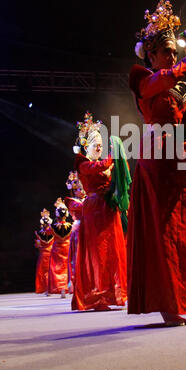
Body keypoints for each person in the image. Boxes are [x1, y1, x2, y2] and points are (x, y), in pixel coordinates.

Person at [127, 0, 186, 326]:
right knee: (164, 226)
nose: (171, 54)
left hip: (182, 153)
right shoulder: (142, 77)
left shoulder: (179, 81)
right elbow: (157, 85)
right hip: (157, 152)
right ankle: (167, 304)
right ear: (150, 54)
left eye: (174, 49)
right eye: (165, 50)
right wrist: (183, 67)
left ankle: (185, 299)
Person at [71, 112, 128, 311]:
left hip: (108, 210)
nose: (99, 146)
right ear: (86, 147)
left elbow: (115, 173)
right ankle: (98, 296)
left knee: (113, 251)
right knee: (98, 253)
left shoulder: (102, 165)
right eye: (95, 143)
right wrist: (115, 153)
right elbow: (104, 165)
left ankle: (113, 294)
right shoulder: (84, 165)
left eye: (101, 144)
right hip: (95, 210)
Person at [64, 171, 86, 293]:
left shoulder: (88, 199)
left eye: (83, 188)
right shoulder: (71, 201)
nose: (82, 191)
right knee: (77, 257)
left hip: (89, 230)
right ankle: (76, 282)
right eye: (79, 189)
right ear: (74, 190)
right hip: (78, 231)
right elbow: (82, 209)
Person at [47, 198, 73, 298]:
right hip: (67, 247)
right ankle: (68, 287)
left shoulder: (52, 226)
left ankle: (60, 287)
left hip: (57, 248)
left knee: (56, 269)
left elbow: (48, 232)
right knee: (67, 268)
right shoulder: (71, 225)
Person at [34, 208, 54, 294]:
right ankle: (53, 287)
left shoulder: (39, 233)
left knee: (44, 271)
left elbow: (38, 245)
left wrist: (37, 244)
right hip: (52, 252)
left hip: (43, 253)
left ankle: (46, 288)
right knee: (52, 270)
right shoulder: (53, 232)